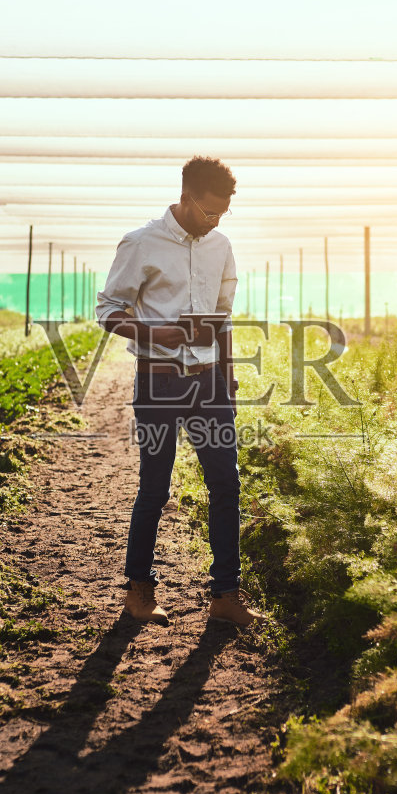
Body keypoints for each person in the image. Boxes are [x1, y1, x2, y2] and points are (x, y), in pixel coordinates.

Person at [94, 156, 264, 627]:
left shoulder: (221, 246)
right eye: (209, 212)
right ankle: (139, 592)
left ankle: (225, 596)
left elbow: (223, 315)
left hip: (209, 384)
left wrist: (226, 378)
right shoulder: (141, 242)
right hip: (158, 379)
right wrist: (154, 333)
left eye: (222, 215)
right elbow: (107, 311)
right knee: (156, 486)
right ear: (186, 197)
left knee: (226, 483)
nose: (214, 222)